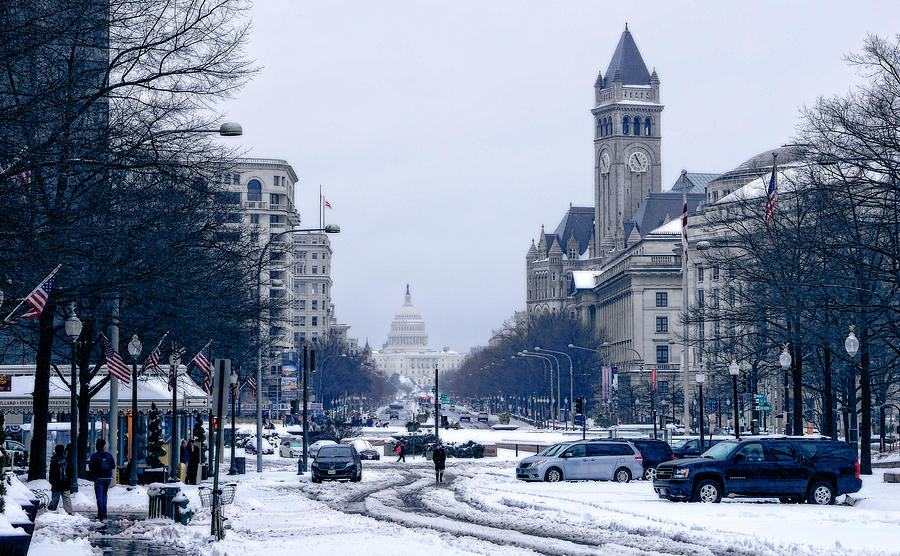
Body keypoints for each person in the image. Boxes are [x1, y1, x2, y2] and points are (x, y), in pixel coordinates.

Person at [88, 438, 116, 520]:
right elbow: (113, 466)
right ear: (104, 446)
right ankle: (105, 512)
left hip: (98, 478)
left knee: (99, 496)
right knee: (104, 494)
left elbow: (91, 467)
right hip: (107, 477)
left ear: (96, 446)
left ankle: (100, 513)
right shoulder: (109, 455)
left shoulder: (94, 456)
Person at [47, 445, 73, 513]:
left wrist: (52, 481)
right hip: (65, 482)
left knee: (55, 498)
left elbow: (52, 472)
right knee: (66, 498)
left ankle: (51, 511)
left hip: (56, 483)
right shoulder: (67, 459)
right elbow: (71, 470)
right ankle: (69, 512)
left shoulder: (54, 459)